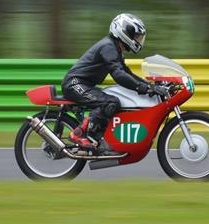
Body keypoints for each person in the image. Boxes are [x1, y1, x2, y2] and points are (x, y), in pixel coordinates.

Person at [61, 13, 170, 155]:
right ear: (124, 32)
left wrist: (151, 87)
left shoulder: (114, 49)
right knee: (110, 102)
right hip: (74, 83)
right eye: (136, 36)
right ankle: (80, 134)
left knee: (113, 102)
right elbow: (118, 75)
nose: (138, 40)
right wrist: (146, 88)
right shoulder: (108, 47)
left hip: (84, 84)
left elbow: (127, 74)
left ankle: (96, 139)